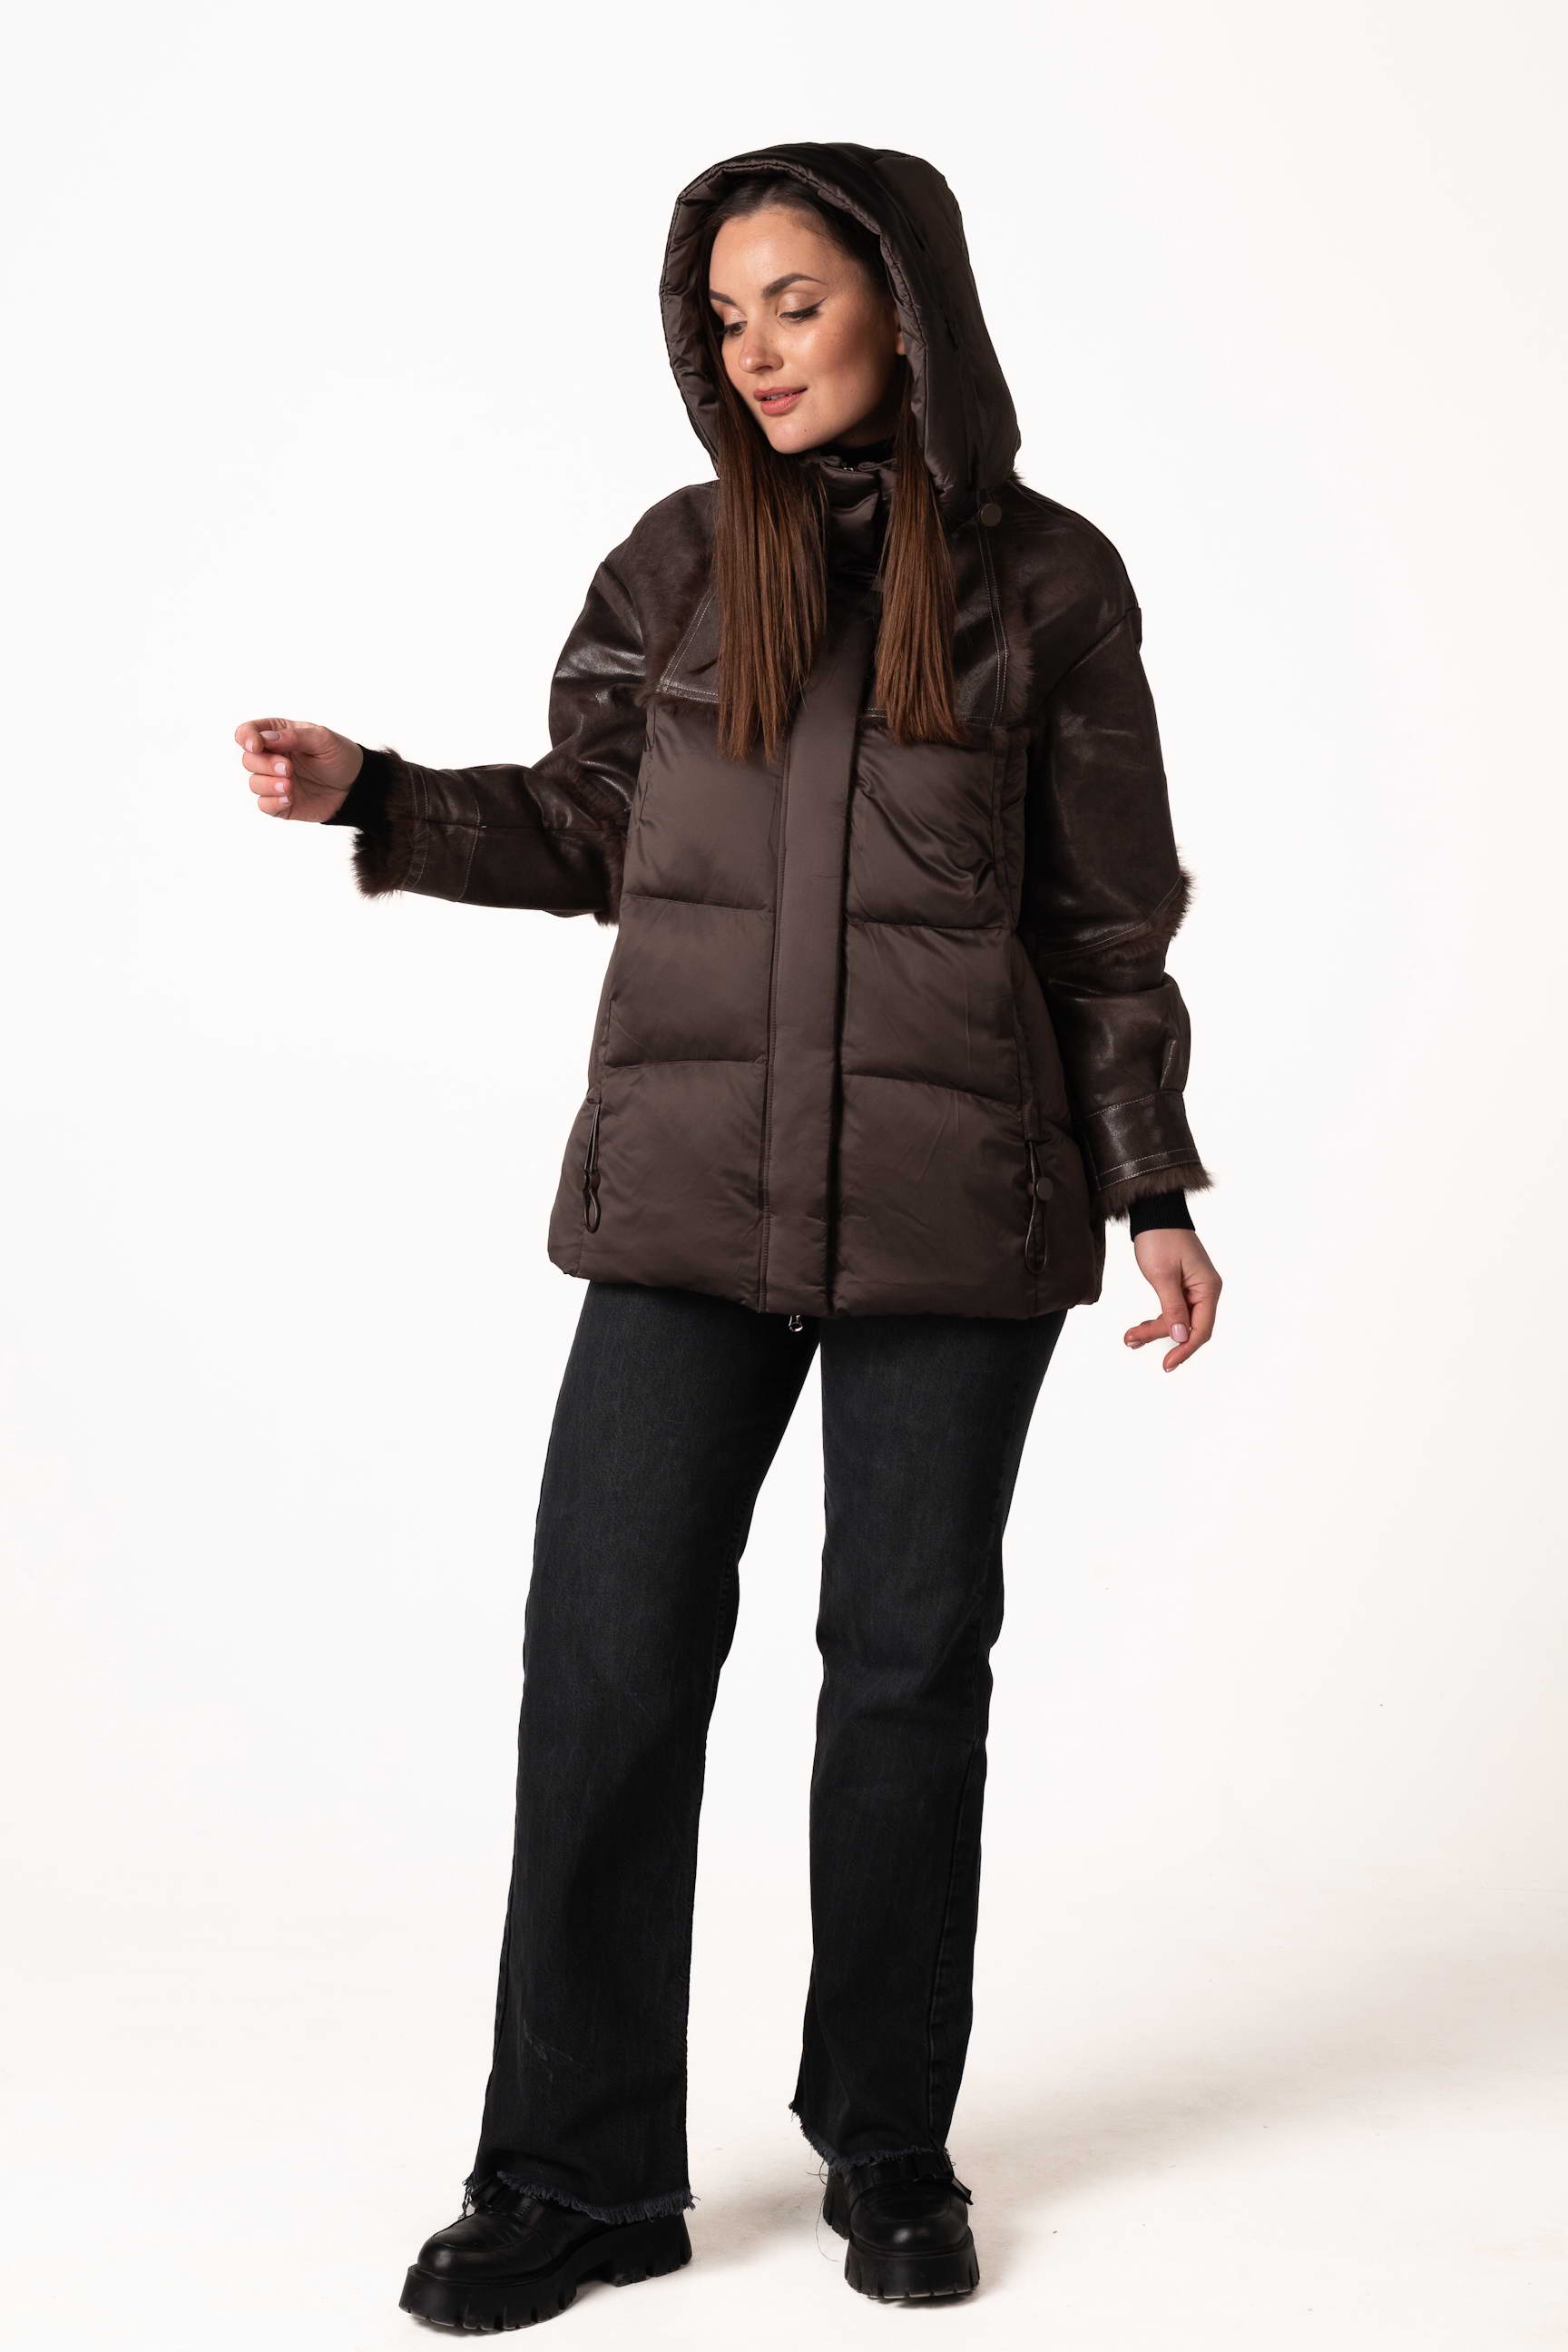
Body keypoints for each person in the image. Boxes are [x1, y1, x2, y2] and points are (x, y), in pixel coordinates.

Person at [235, 141, 1222, 2328]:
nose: (754, 349)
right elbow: (593, 824)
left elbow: (1104, 920)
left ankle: (888, 2144)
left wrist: (1150, 1182)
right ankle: (575, 2176)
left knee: (903, 1675)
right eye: (723, 314)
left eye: (794, 300)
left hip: (964, 1206)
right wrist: (383, 794)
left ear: (904, 304)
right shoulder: (684, 563)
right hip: (689, 1200)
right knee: (604, 1658)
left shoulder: (1047, 582)